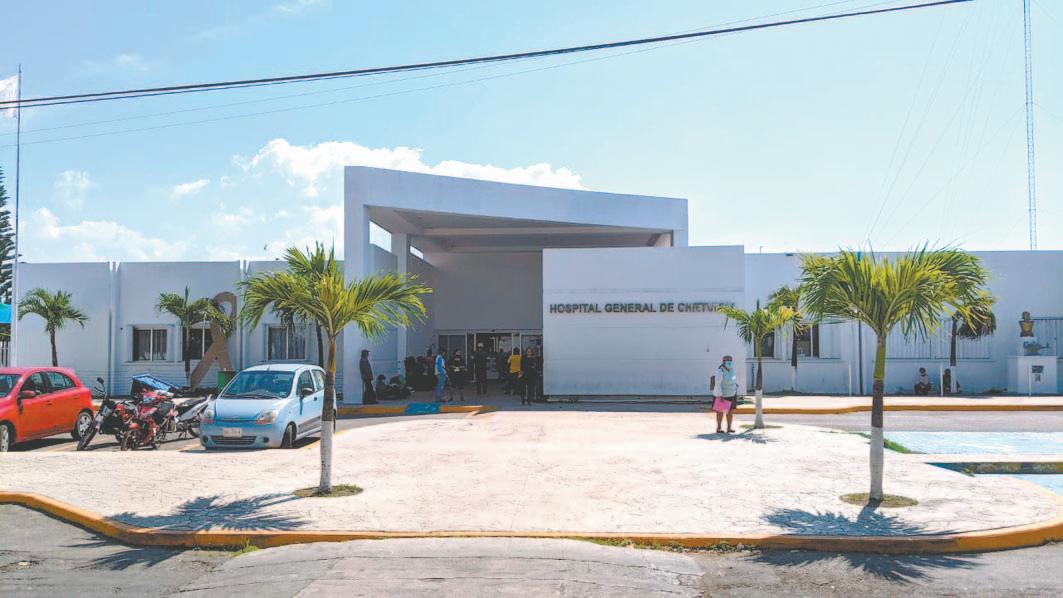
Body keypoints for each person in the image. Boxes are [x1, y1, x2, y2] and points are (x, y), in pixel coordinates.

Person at [712, 355, 738, 433]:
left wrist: (735, 386)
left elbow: (733, 378)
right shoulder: (720, 371)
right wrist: (720, 395)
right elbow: (718, 384)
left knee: (730, 412)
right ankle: (719, 428)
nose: (730, 362)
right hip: (723, 395)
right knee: (720, 412)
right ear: (724, 362)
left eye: (731, 360)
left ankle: (729, 428)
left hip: (732, 394)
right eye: (728, 360)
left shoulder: (731, 370)